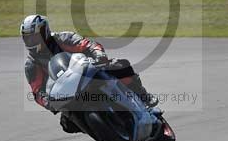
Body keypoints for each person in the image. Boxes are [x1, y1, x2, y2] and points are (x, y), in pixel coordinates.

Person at [21, 14, 158, 134]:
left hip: (87, 71)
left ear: (44, 31)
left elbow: (88, 45)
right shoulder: (31, 65)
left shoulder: (63, 38)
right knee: (67, 125)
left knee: (120, 65)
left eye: (34, 37)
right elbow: (37, 91)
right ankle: (103, 129)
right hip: (67, 91)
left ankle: (143, 97)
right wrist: (47, 102)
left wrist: (99, 55)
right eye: (27, 38)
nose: (31, 42)